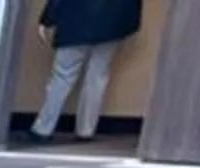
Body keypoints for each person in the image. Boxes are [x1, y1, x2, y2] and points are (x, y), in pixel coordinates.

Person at [29, 0, 140, 141]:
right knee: (97, 79)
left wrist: (47, 19)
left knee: (62, 77)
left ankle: (42, 129)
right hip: (111, 26)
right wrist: (128, 26)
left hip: (74, 23)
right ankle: (86, 131)